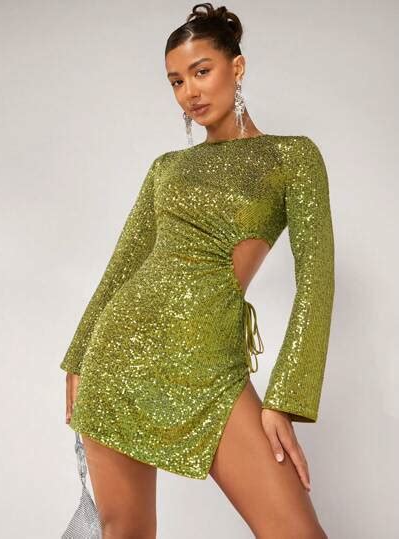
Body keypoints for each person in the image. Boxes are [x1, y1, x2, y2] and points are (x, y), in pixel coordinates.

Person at [60, 3, 334, 538]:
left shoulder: (291, 157)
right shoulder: (167, 168)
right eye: (177, 81)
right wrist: (77, 358)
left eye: (201, 71)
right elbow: (123, 264)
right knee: (126, 532)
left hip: (212, 364)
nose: (190, 91)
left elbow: (316, 280)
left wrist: (285, 399)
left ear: (237, 67)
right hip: (118, 358)